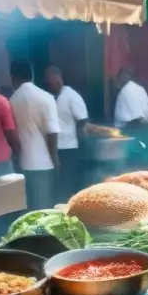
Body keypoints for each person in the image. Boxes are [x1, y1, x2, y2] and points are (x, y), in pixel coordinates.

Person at [9, 61, 60, 210]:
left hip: (21, 163)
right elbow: (52, 132)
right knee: (42, 208)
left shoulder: (12, 100)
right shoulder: (45, 97)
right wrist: (55, 159)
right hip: (43, 164)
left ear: (13, 77)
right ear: (31, 74)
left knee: (26, 209)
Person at [44, 65, 89, 199]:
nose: (50, 84)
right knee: (58, 183)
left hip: (69, 148)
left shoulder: (71, 96)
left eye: (52, 80)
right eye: (48, 81)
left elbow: (82, 120)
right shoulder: (51, 96)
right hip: (55, 146)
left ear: (59, 79)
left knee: (68, 183)